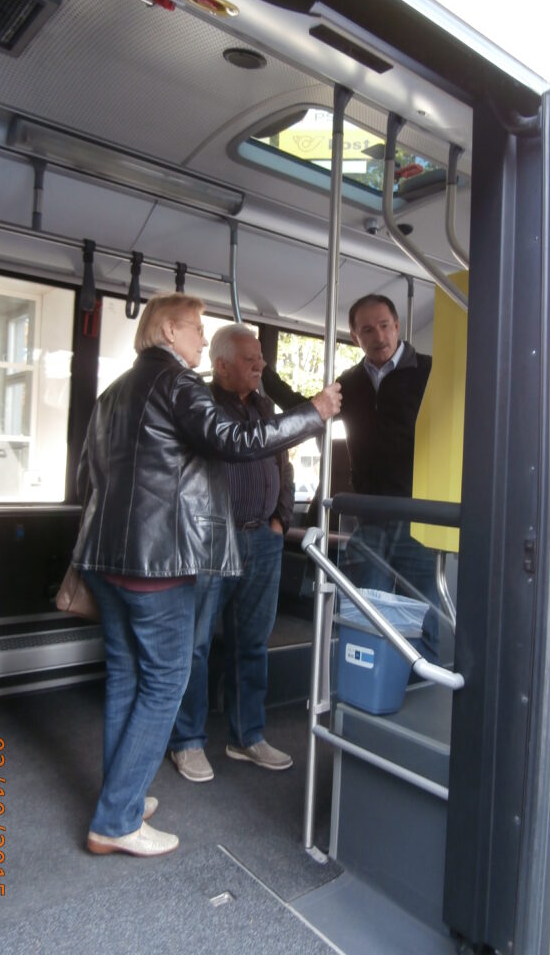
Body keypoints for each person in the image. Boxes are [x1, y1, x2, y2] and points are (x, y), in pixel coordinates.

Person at [72, 293, 341, 858]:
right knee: (166, 680)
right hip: (158, 562)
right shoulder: (177, 384)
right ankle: (116, 820)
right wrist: (312, 412)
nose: (200, 336)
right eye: (195, 328)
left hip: (105, 559)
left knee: (126, 677)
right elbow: (236, 442)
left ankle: (122, 793)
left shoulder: (113, 394)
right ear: (168, 330)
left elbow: (87, 478)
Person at [262, 293, 439, 657]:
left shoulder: (428, 372)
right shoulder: (351, 381)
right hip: (369, 514)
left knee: (423, 608)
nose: (379, 336)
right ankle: (369, 687)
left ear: (398, 326)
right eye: (368, 330)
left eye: (385, 326)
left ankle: (426, 693)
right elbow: (309, 408)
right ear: (355, 337)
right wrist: (264, 374)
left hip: (418, 514)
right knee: (363, 607)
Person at [169, 324, 295, 782]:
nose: (260, 365)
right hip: (212, 543)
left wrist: (281, 520)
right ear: (221, 365)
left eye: (260, 357)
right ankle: (187, 740)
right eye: (249, 359)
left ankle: (247, 737)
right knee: (197, 645)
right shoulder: (199, 405)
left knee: (253, 643)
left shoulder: (264, 405)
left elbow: (284, 465)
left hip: (264, 538)